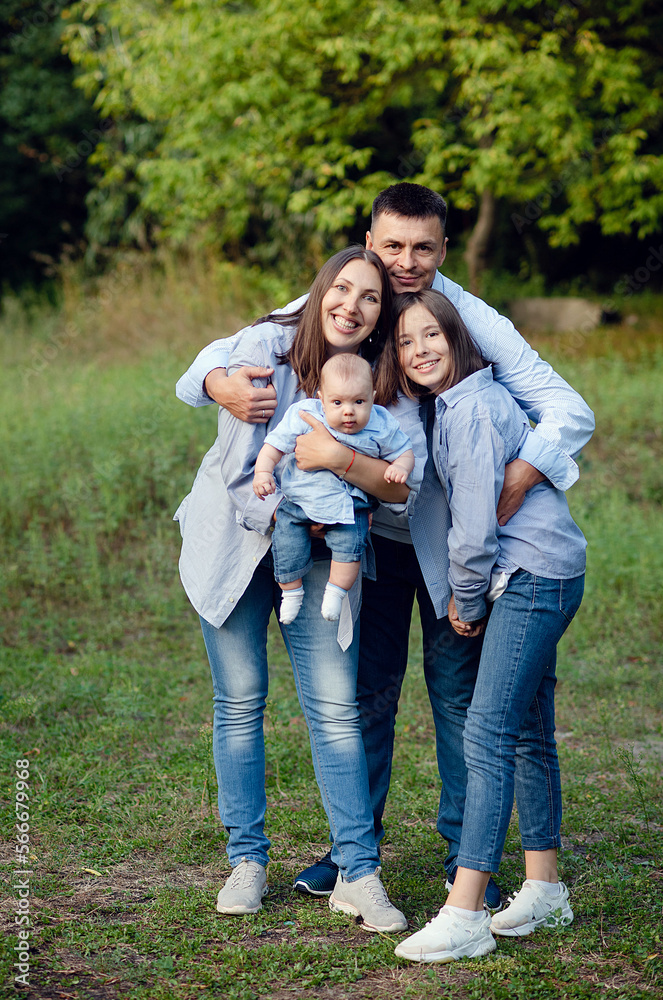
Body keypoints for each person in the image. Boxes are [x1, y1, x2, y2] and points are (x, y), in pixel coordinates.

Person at [176, 183, 595, 903]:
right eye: (392, 245)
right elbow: (228, 352)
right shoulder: (351, 297)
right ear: (369, 242)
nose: (406, 262)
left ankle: (465, 855)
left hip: (450, 540)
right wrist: (218, 382)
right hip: (365, 536)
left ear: (443, 250)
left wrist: (519, 476)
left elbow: (568, 407)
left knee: (457, 694)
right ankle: (352, 853)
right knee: (365, 694)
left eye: (423, 248)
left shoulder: (463, 317)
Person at [175, 246, 413, 934]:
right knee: (239, 701)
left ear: (380, 316)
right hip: (233, 541)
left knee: (336, 710)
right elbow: (220, 430)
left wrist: (344, 470)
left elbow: (398, 487)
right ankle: (246, 860)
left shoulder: (378, 384)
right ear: (319, 291)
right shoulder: (265, 348)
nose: (352, 306)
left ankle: (359, 873)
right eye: (342, 289)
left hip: (321, 553)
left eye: (370, 298)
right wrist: (217, 381)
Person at [376, 290, 586, 963]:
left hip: (531, 575)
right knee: (527, 728)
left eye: (431, 335)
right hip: (549, 569)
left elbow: (472, 533)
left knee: (488, 731)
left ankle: (465, 913)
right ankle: (545, 890)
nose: (419, 350)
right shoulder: (459, 402)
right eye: (405, 342)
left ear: (458, 338)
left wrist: (463, 602)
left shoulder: (468, 410)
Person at [253, 353, 414, 624]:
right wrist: (263, 472)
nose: (348, 411)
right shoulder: (306, 414)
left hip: (349, 505)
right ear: (321, 398)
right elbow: (274, 445)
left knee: (350, 548)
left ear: (372, 398)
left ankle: (335, 593)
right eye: (337, 402)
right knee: (287, 543)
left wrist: (401, 466)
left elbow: (404, 450)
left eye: (359, 402)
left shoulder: (381, 423)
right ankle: (291, 593)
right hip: (300, 500)